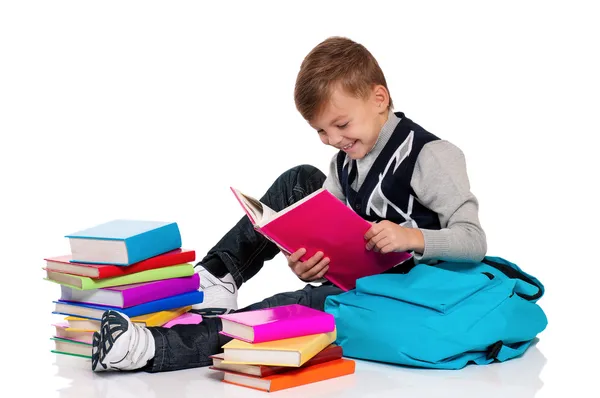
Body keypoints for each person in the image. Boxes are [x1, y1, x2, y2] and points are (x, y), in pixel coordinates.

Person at [91, 36, 487, 372]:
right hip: (363, 274)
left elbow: (474, 242)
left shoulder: (432, 156)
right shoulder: (344, 162)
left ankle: (151, 347)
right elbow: (331, 234)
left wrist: (411, 237)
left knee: (286, 308)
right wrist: (305, 262)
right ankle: (218, 277)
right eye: (321, 131)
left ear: (379, 99)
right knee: (298, 180)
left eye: (341, 125)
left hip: (407, 290)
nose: (332, 139)